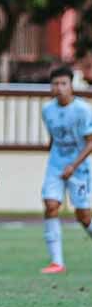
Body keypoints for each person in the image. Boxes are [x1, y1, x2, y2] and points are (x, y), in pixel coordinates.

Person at [39, 66, 92, 274]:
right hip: (56, 165)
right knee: (51, 205)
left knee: (84, 216)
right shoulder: (47, 110)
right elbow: (53, 138)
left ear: (71, 86)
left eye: (63, 83)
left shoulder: (83, 110)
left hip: (80, 169)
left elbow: (90, 143)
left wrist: (73, 166)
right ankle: (57, 262)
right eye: (55, 84)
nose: (59, 88)